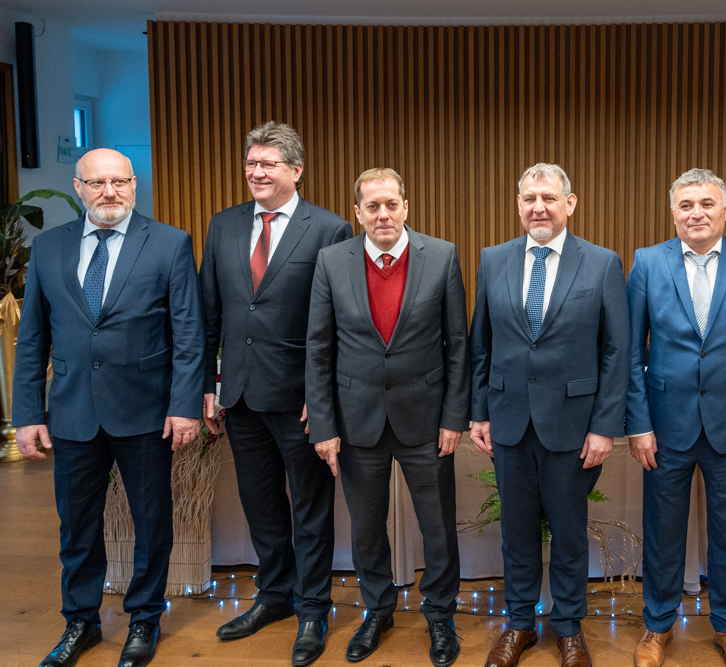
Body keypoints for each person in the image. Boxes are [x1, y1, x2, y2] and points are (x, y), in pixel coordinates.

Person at [12, 148, 205, 667]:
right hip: (72, 411)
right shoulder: (48, 247)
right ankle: (81, 621)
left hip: (146, 411)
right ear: (78, 188)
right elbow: (32, 339)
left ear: (134, 185)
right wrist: (27, 414)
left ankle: (144, 618)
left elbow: (189, 335)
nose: (109, 192)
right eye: (97, 183)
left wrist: (185, 406)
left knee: (151, 523)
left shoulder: (169, 243)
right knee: (76, 527)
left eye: (119, 181)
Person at [200, 121, 353, 667]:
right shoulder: (223, 225)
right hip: (239, 397)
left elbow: (339, 322)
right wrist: (207, 385)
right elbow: (209, 314)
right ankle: (274, 596)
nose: (257, 172)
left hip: (300, 399)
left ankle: (312, 609)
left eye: (268, 164)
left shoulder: (329, 229)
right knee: (261, 505)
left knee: (310, 510)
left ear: (296, 170)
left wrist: (323, 392)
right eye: (251, 163)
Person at [306, 167, 469, 666]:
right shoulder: (332, 261)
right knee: (367, 529)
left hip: (426, 421)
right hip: (358, 422)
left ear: (406, 207)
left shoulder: (441, 256)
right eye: (372, 206)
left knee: (437, 528)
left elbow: (458, 345)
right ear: (357, 212)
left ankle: (439, 615)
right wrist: (324, 426)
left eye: (391, 204)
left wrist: (454, 418)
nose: (383, 214)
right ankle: (377, 611)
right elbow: (318, 349)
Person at [626, 168, 726, 667]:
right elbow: (629, 353)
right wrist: (638, 424)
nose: (696, 213)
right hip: (664, 427)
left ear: (725, 210)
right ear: (673, 212)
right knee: (662, 533)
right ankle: (658, 625)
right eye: (686, 205)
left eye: (706, 203)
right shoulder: (647, 263)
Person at [469, 163, 629, 667]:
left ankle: (568, 628)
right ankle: (519, 624)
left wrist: (604, 426)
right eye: (529, 198)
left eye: (549, 198)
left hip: (573, 426)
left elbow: (616, 351)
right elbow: (481, 344)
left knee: (569, 534)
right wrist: (479, 413)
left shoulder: (601, 263)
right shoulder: (493, 259)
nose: (538, 207)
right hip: (509, 422)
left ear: (570, 203)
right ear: (518, 204)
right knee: (516, 533)